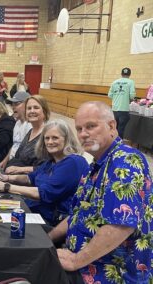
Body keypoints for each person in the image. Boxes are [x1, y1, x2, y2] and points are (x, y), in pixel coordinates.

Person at [48, 101, 152, 283]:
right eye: (79, 129)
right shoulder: (95, 165)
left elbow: (120, 226)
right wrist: (47, 239)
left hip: (110, 273)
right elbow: (78, 215)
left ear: (111, 126)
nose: (83, 134)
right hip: (85, 260)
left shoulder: (126, 161)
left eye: (91, 126)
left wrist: (75, 260)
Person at [0, 119, 89, 226]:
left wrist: (6, 186)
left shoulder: (72, 162)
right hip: (38, 212)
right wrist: (6, 178)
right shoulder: (51, 161)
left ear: (67, 139)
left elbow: (45, 193)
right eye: (47, 138)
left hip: (54, 222)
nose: (50, 142)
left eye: (55, 138)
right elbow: (30, 178)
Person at [5, 95, 50, 174]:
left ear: (44, 111)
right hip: (14, 176)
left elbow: (47, 168)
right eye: (29, 108)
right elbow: (18, 157)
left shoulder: (47, 135)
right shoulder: (30, 132)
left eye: (36, 107)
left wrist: (19, 169)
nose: (32, 111)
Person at [0, 91, 32, 169]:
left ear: (28, 105)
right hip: (11, 163)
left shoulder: (30, 126)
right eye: (12, 104)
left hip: (20, 165)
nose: (13, 107)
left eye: (17, 104)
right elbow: (15, 145)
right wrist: (5, 161)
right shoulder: (17, 123)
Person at [108, 67, 136, 138]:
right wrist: (127, 98)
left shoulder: (114, 82)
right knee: (121, 129)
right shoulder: (131, 82)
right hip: (124, 109)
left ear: (121, 74)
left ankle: (112, 143)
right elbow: (132, 95)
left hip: (114, 109)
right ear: (129, 74)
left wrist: (117, 97)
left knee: (114, 127)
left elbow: (110, 95)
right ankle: (118, 144)